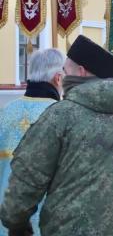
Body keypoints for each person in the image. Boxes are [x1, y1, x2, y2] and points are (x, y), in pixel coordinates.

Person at [0, 35, 113, 236]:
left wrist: (16, 225)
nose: (62, 78)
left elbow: (26, 178)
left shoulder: (59, 116)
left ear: (81, 71)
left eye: (66, 71)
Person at [0, 49, 65, 236]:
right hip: (49, 224)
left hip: (7, 223)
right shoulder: (61, 115)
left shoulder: (6, 112)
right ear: (58, 78)